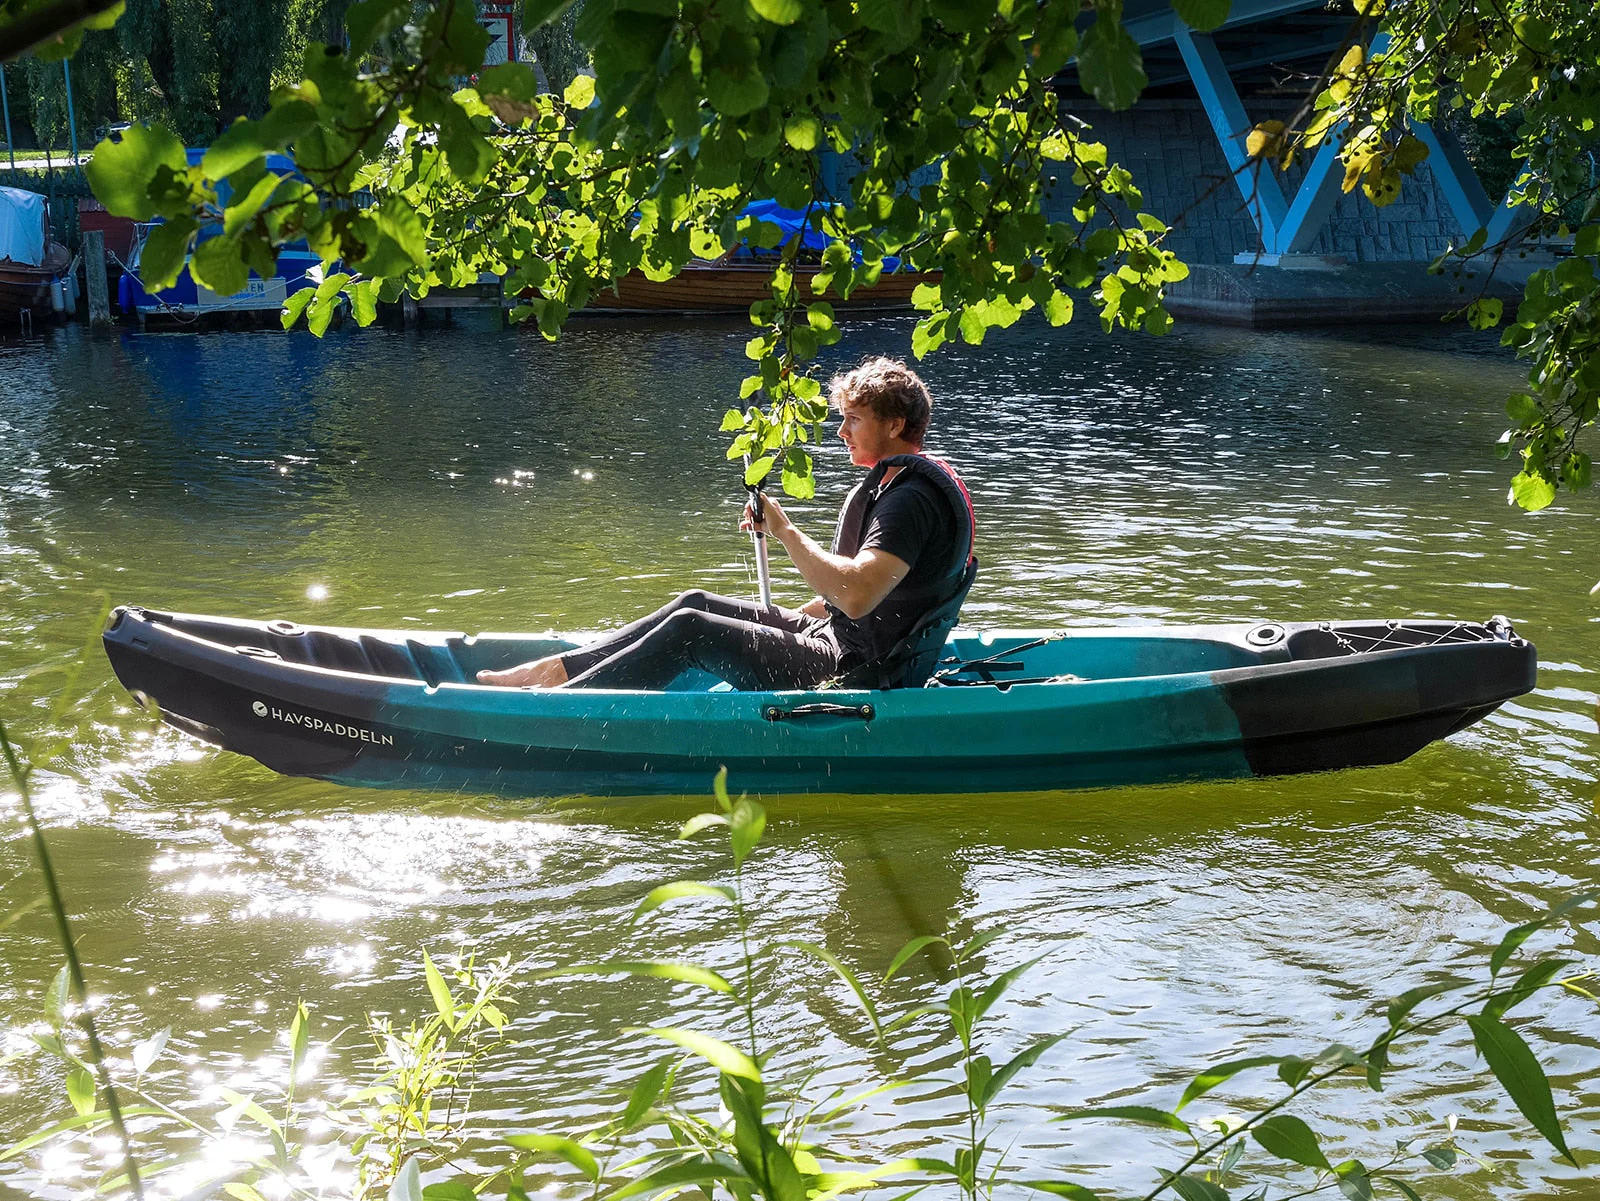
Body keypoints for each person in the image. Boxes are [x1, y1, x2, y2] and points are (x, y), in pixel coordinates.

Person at [475, 356, 976, 691]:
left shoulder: (909, 501)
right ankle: (551, 670)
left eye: (854, 420)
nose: (841, 431)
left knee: (693, 630)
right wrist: (777, 622)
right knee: (697, 603)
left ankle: (563, 702)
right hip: (842, 639)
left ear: (893, 425)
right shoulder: (897, 487)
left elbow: (858, 594)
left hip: (857, 669)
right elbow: (850, 599)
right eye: (841, 418)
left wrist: (784, 531)